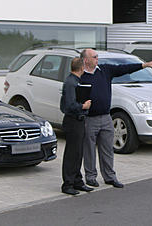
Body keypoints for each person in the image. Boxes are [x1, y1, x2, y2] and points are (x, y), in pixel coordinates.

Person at [80, 48, 152, 188]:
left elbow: (125, 68)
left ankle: (110, 176)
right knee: (89, 149)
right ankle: (90, 176)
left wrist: (144, 65)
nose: (97, 58)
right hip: (90, 119)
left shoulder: (104, 70)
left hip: (106, 117)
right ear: (86, 60)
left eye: (97, 56)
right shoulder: (81, 76)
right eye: (94, 57)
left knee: (107, 149)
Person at [60, 57, 94, 195]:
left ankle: (77, 180)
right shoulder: (70, 83)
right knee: (72, 153)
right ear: (82, 68)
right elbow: (69, 104)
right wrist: (83, 106)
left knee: (78, 152)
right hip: (72, 120)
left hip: (80, 120)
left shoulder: (77, 81)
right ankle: (67, 183)